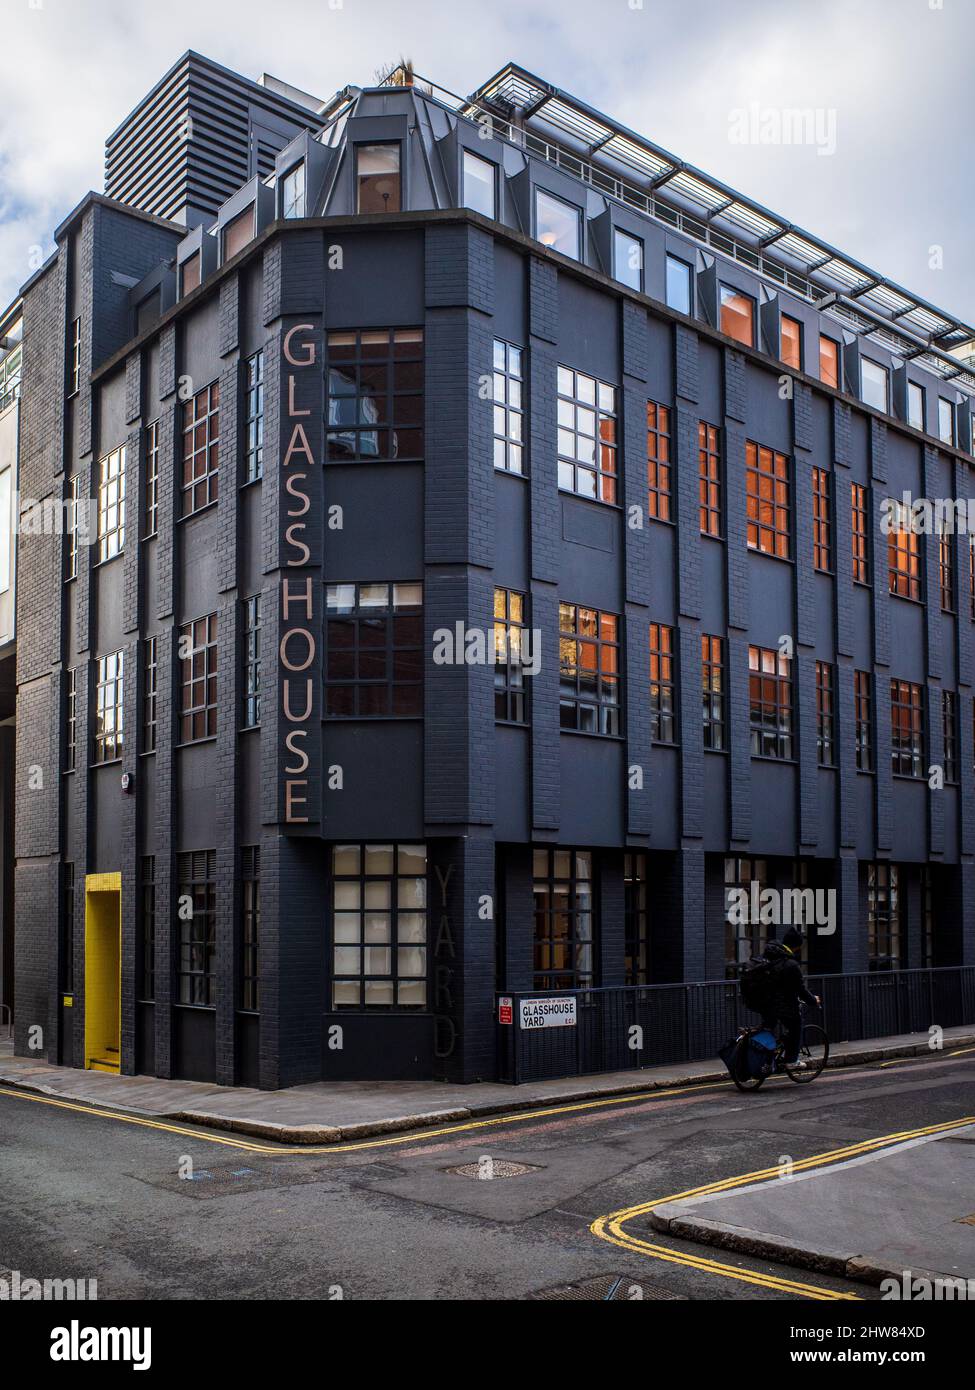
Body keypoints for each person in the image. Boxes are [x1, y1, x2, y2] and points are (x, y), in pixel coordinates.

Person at [759, 927, 820, 1068]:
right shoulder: (790, 964)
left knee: (768, 1028)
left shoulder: (769, 956)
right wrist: (813, 1000)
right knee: (796, 1026)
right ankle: (792, 1060)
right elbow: (800, 989)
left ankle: (767, 1060)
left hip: (764, 1002)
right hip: (783, 1005)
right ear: (797, 946)